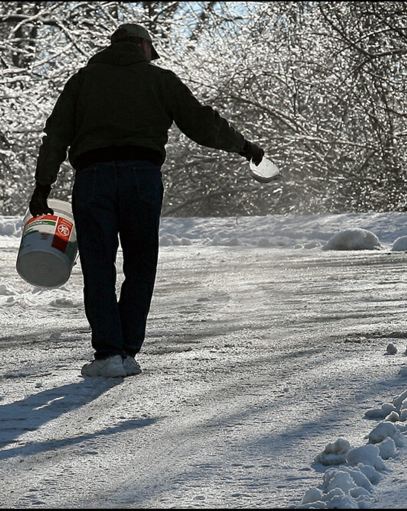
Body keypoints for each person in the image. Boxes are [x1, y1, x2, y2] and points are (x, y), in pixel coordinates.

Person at [29, 23, 265, 378]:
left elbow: (56, 134)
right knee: (140, 265)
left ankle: (108, 353)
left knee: (98, 266)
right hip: (142, 176)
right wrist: (244, 147)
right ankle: (127, 352)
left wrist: (42, 185)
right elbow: (202, 123)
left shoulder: (82, 81)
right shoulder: (161, 80)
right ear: (143, 46)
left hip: (93, 179)